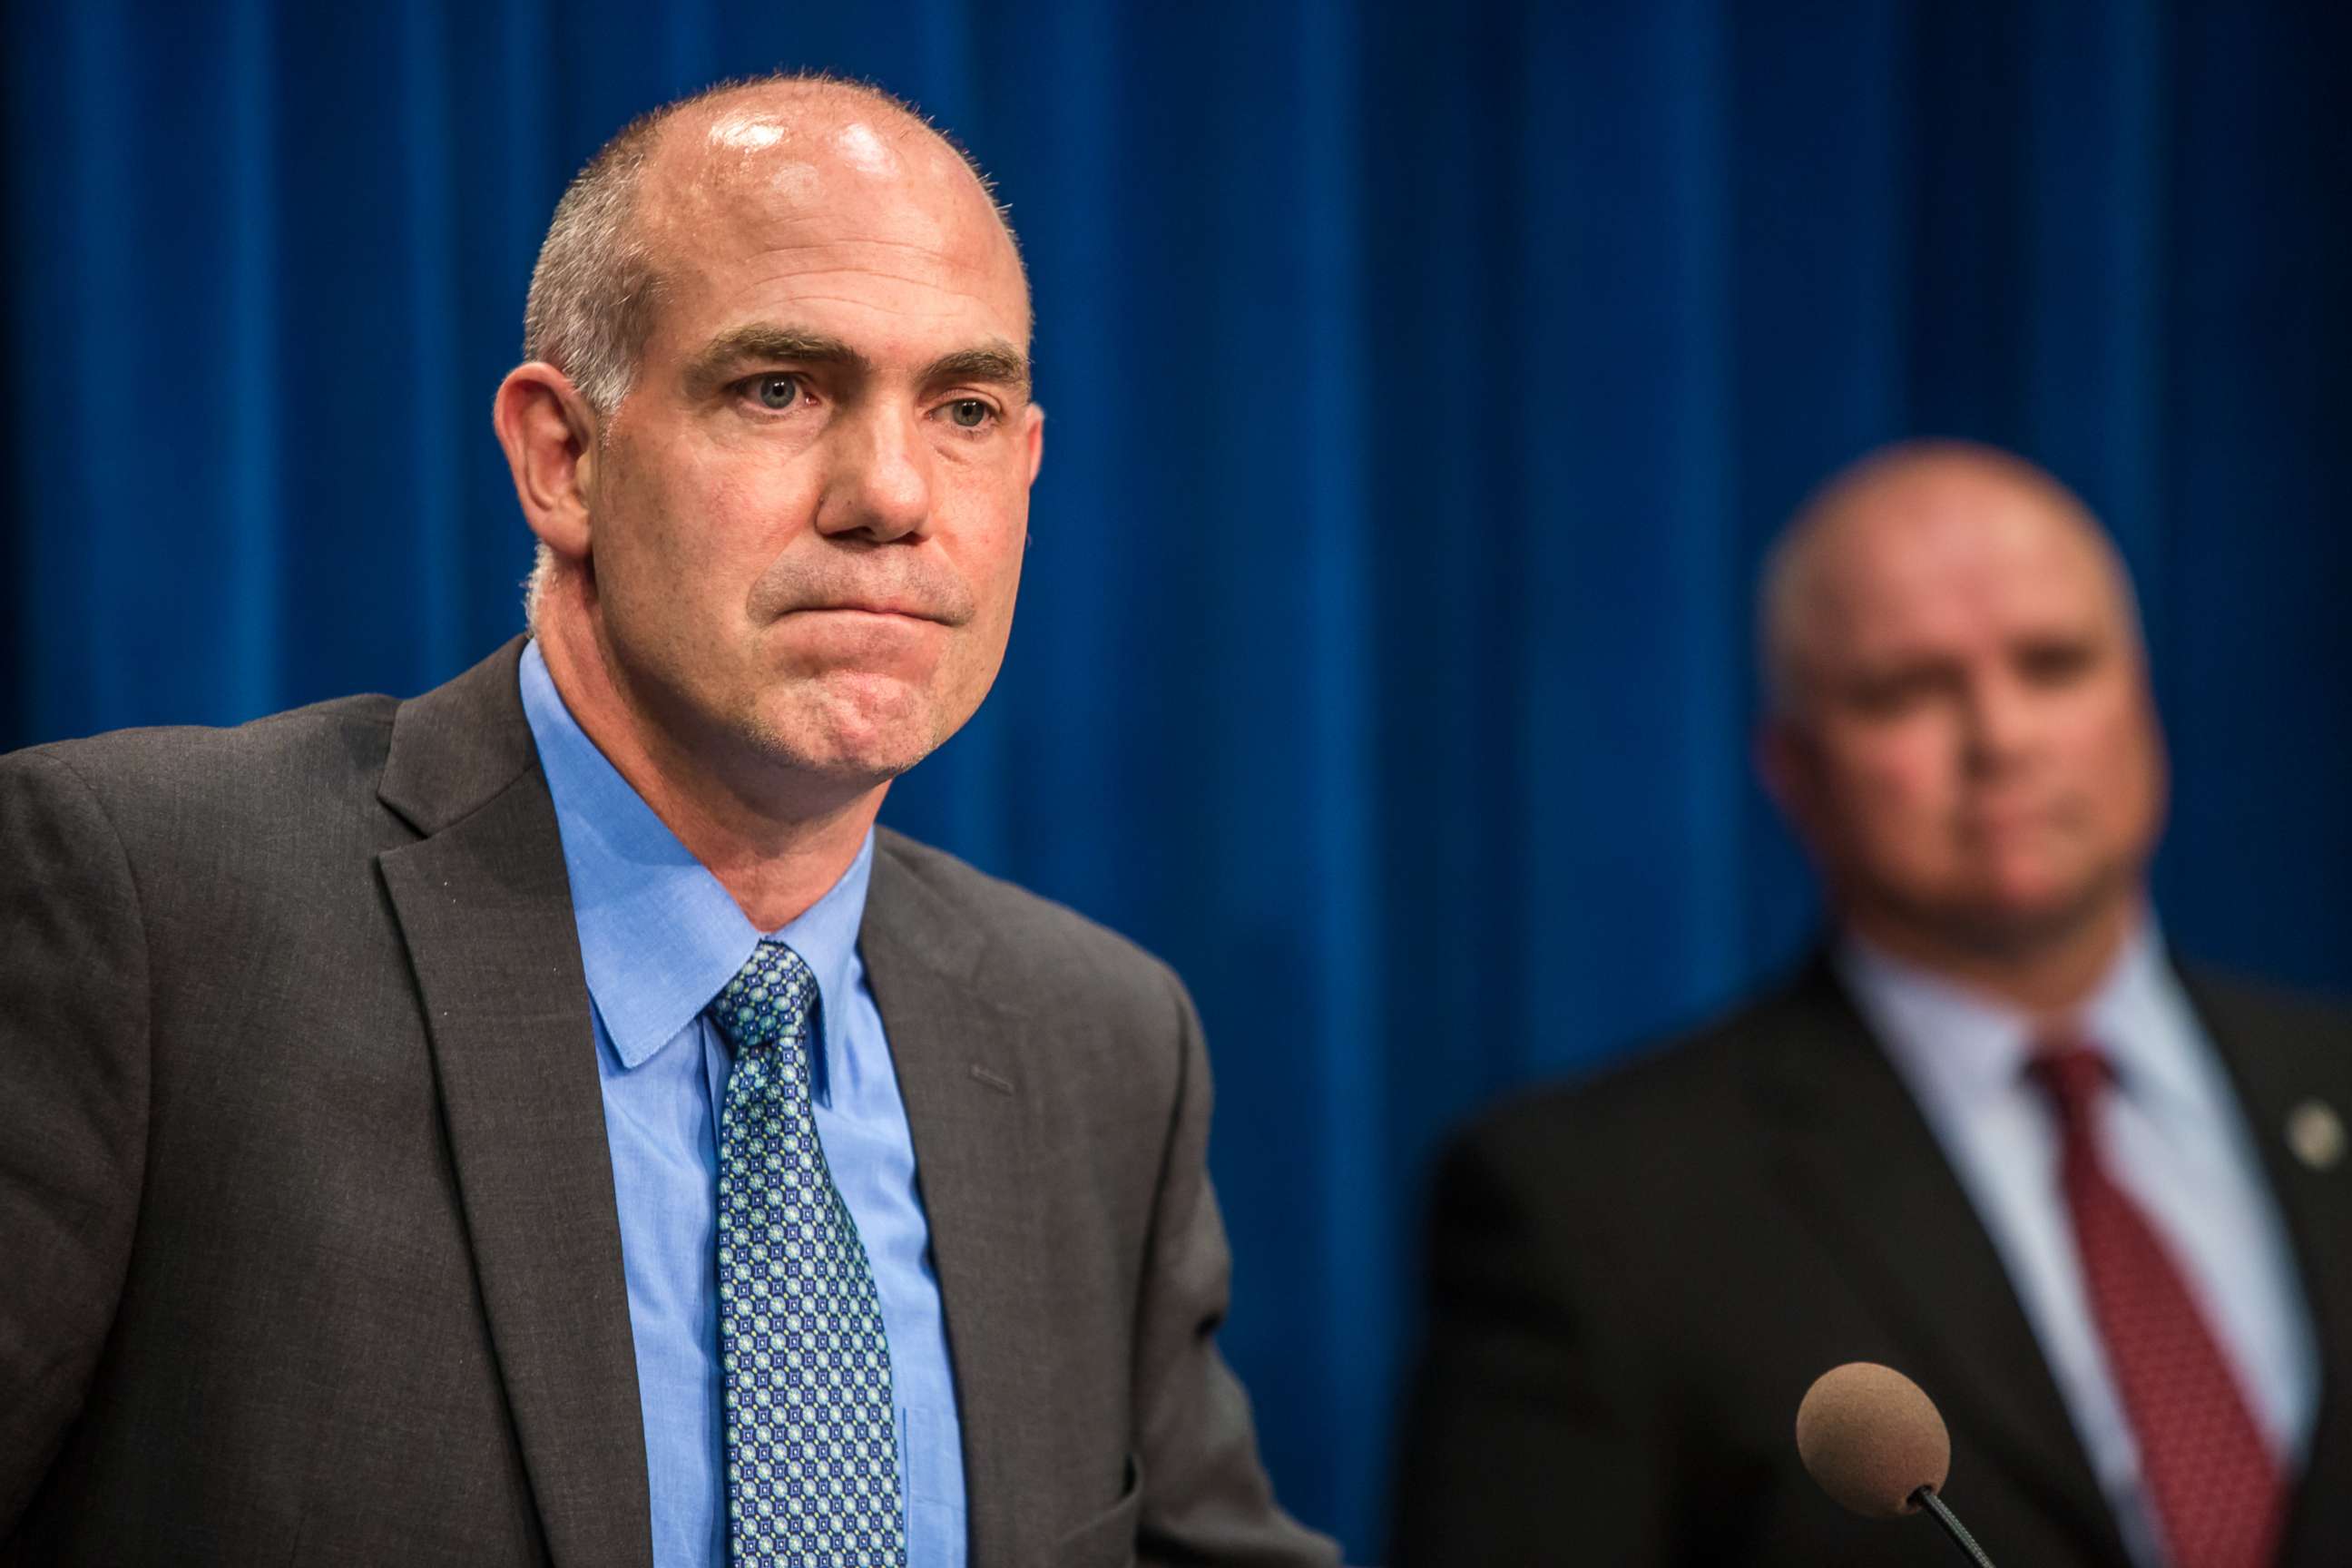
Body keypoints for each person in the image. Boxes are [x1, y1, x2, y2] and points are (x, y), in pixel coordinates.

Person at [0, 74, 1334, 1568]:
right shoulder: (147, 906)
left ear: (1023, 470)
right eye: (780, 388)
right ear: (560, 457)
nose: (891, 494)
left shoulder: (1098, 1038)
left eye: (960, 409)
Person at [1391, 441, 2352, 1568]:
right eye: (1908, 690)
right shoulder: (1587, 1209)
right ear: (1792, 767)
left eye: (2053, 665)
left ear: (2142, 703)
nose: (2002, 740)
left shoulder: (2327, 1077)